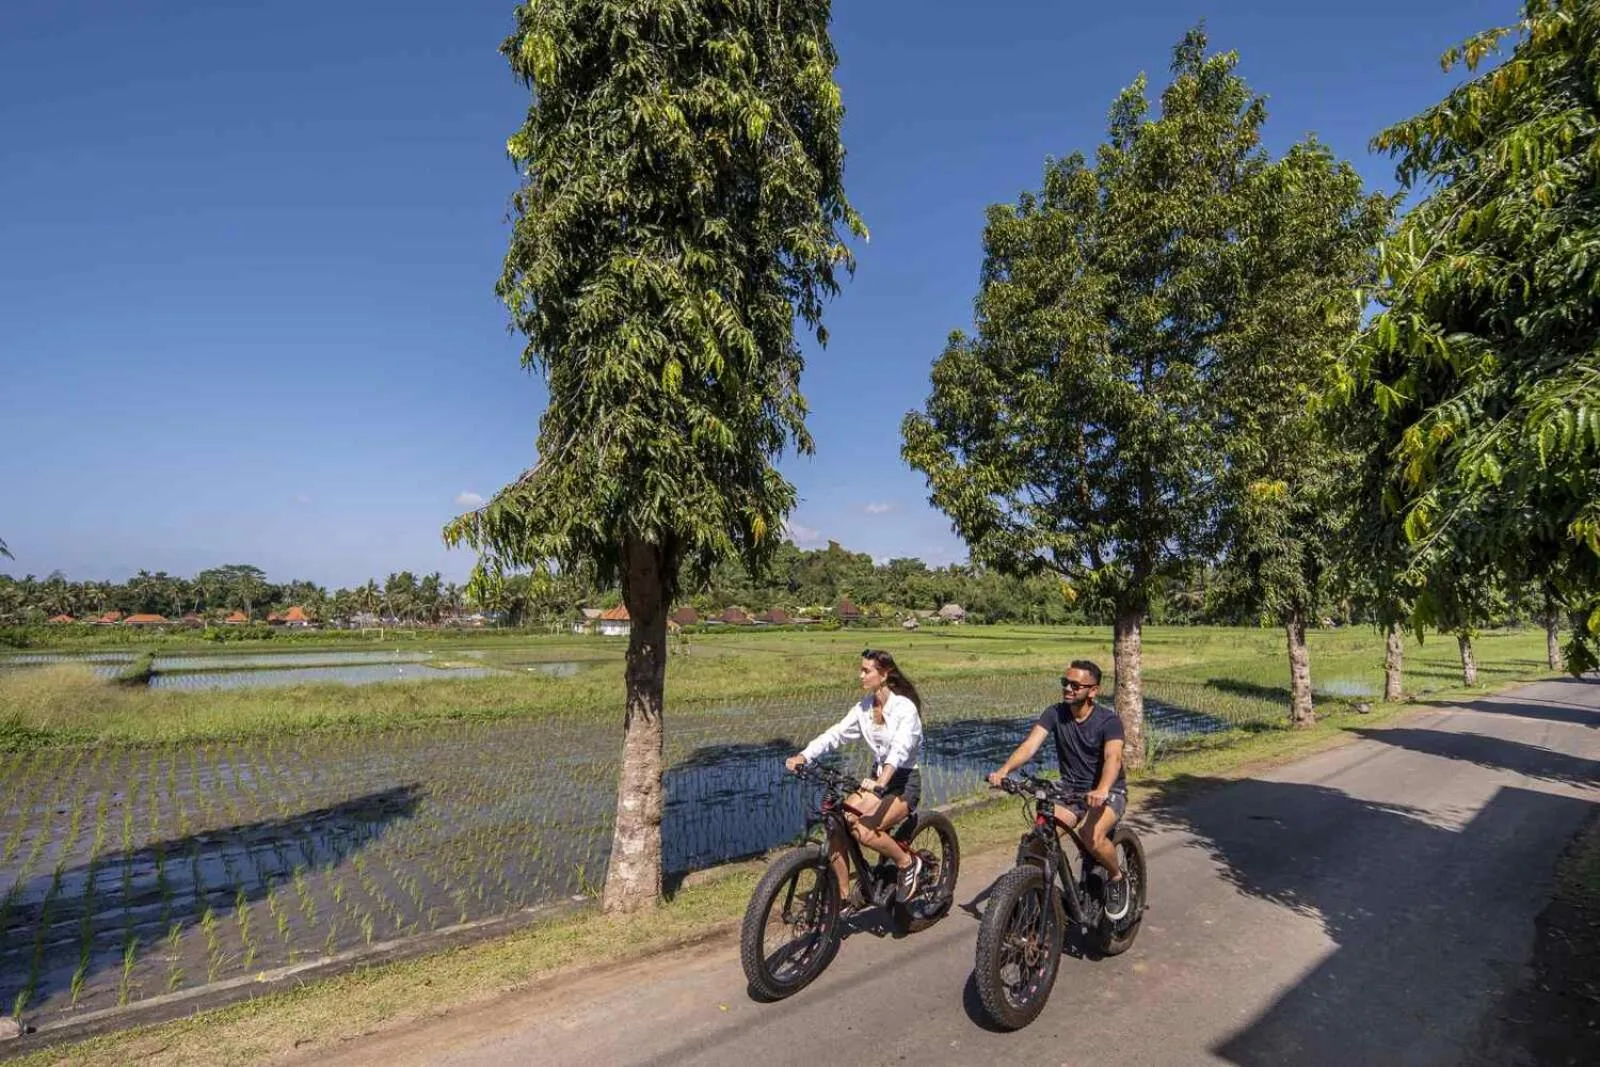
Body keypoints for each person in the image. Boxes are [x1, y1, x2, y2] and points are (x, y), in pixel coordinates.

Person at [987, 659, 1130, 919]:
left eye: (1076, 685)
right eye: (1065, 682)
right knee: (1040, 837)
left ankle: (1117, 877)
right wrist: (1004, 771)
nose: (1068, 689)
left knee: (1091, 835)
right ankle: (1036, 894)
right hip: (1069, 789)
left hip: (1108, 791)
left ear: (1093, 690)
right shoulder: (1055, 713)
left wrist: (1102, 789)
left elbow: (1113, 759)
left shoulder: (1109, 721)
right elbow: (1030, 746)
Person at [786, 648, 926, 901]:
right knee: (836, 824)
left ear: (884, 674)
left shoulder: (905, 708)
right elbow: (836, 734)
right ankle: (843, 896)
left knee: (864, 830)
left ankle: (907, 863)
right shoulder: (863, 708)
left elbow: (900, 749)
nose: (860, 675)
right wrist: (804, 756)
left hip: (902, 782)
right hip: (877, 780)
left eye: (866, 670)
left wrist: (882, 781)